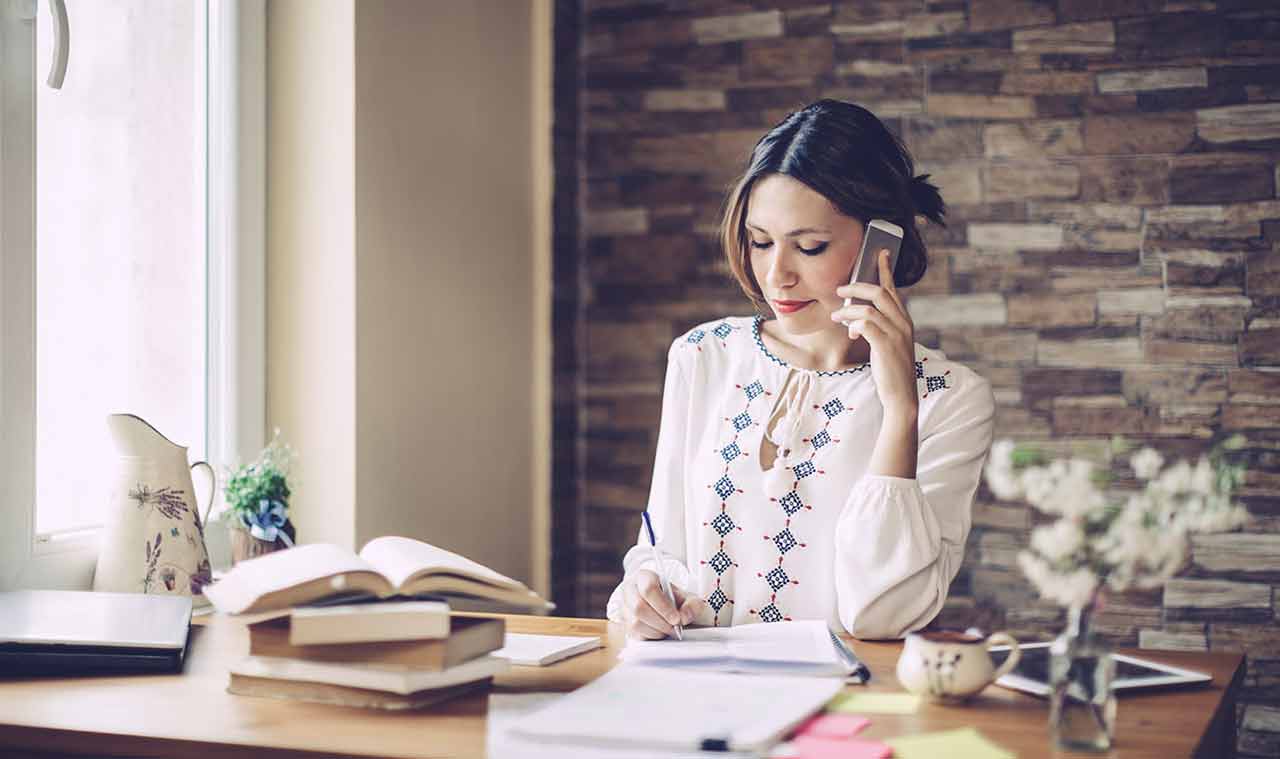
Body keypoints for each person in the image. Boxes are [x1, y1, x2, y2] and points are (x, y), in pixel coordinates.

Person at [605, 99, 995, 640]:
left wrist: (900, 408)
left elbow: (883, 616)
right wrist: (644, 594)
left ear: (883, 243)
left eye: (809, 247)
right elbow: (660, 550)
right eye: (760, 241)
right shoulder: (702, 356)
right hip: (696, 695)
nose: (776, 276)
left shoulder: (951, 399)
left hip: (847, 707)